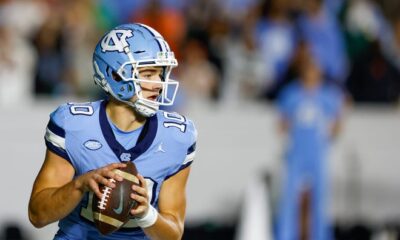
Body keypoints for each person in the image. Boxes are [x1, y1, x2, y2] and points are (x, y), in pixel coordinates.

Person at [28, 23, 197, 240]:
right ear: (115, 75)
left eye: (161, 74)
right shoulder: (74, 124)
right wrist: (80, 185)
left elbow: (173, 234)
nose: (159, 84)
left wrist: (147, 214)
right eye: (148, 73)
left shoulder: (177, 136)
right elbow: (38, 215)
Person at [275, 42, 344, 240]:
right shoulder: (291, 94)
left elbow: (338, 119)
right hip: (297, 152)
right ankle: (285, 235)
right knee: (289, 198)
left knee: (320, 199)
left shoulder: (328, 95)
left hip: (318, 152)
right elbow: (282, 122)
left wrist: (330, 134)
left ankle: (321, 235)